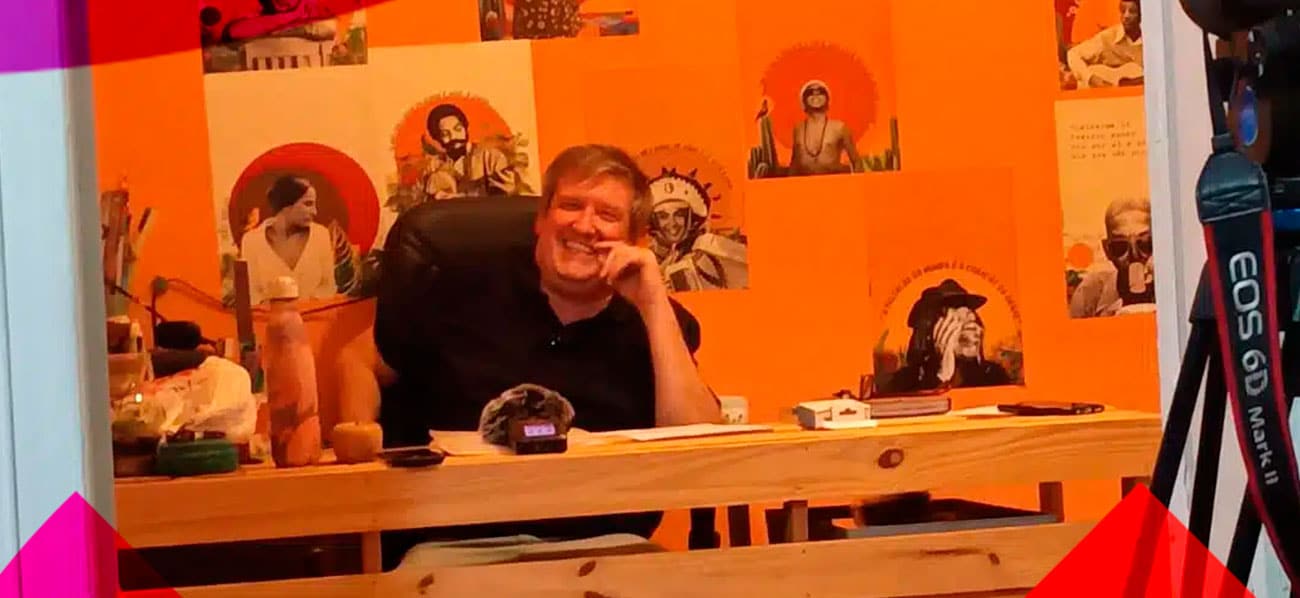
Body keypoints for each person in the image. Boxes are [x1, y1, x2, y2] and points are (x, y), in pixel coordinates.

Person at [371, 144, 720, 565]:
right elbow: (359, 362)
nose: (585, 226)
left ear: (633, 240)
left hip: (610, 550)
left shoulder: (654, 321)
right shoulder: (457, 290)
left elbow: (701, 452)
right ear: (541, 219)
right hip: (456, 551)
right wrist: (362, 461)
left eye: (607, 215)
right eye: (571, 205)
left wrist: (653, 302)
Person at [880, 279, 1012, 394]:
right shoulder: (903, 382)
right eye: (959, 322)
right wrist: (941, 376)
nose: (975, 327)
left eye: (973, 320)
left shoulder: (993, 376)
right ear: (930, 330)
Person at [239, 176, 337, 305]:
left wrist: (307, 306)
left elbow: (328, 287)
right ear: (286, 206)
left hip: (314, 315)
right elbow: (252, 295)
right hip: (269, 317)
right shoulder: (251, 241)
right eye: (308, 204)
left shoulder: (321, 235)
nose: (314, 212)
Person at [1069, 197, 1155, 318]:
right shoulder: (1089, 294)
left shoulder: (1175, 284)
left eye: (1145, 243)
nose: (1134, 256)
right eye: (1120, 246)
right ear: (1107, 250)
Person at [421, 103, 519, 199]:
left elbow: (502, 196)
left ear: (465, 129)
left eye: (458, 129)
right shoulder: (436, 168)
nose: (454, 137)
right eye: (445, 134)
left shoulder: (490, 157)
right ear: (437, 138)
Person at [789, 80, 861, 176]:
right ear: (804, 101)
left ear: (827, 99)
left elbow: (856, 161)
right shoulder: (798, 129)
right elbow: (794, 164)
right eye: (810, 93)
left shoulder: (839, 127)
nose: (815, 96)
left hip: (834, 181)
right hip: (806, 182)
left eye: (820, 92)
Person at [1066, 0, 1143, 89]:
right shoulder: (1108, 37)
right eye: (1123, 11)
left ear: (1141, 15)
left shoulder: (1152, 39)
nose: (1126, 16)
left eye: (1132, 12)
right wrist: (1091, 78)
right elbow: (1073, 54)